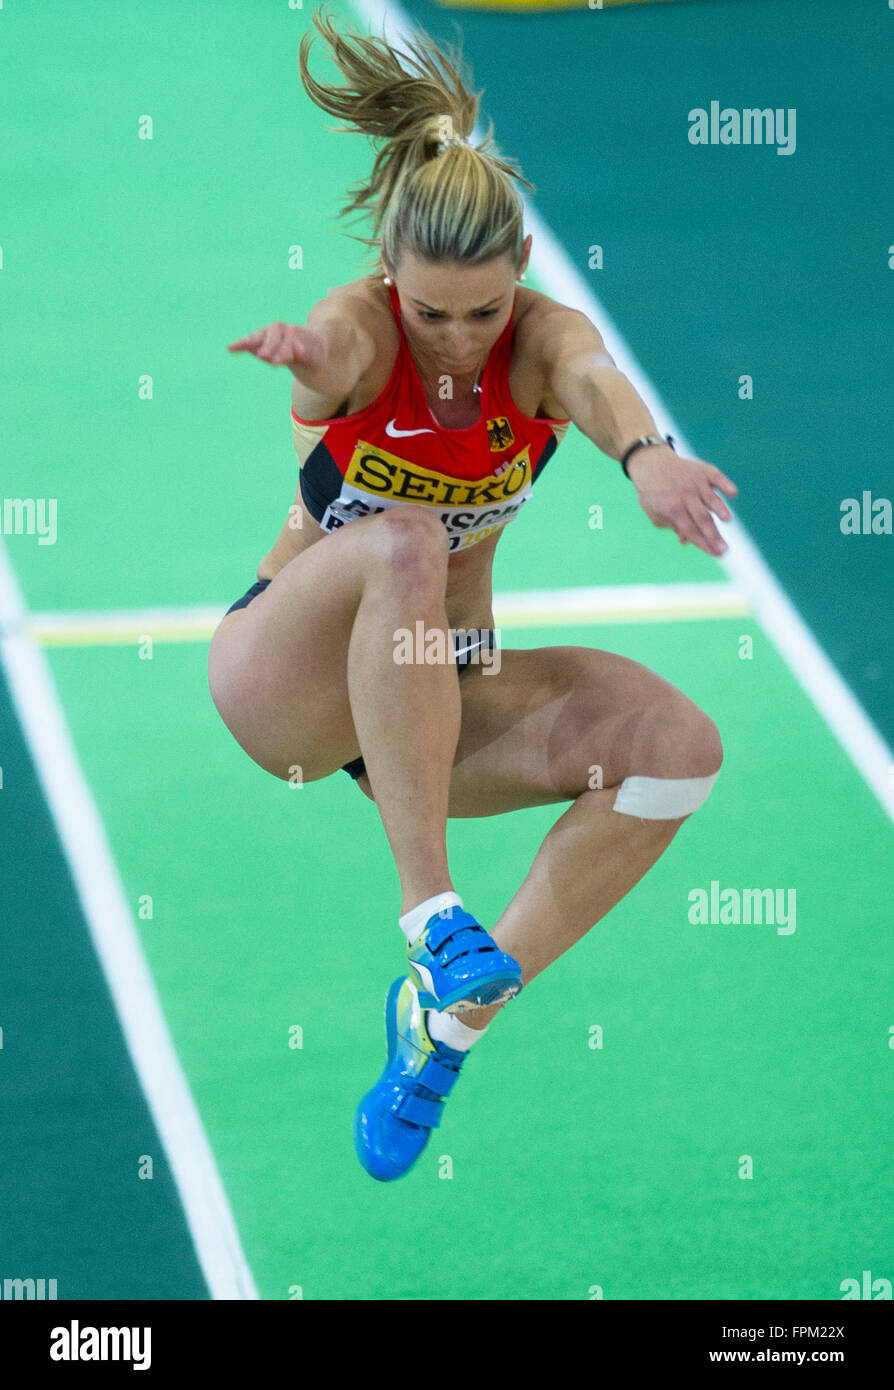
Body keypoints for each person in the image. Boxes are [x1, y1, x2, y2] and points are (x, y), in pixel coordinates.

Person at [208, 6, 737, 1182]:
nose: (455, 341)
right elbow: (344, 354)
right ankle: (431, 916)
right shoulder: (361, 330)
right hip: (282, 678)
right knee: (406, 543)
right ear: (391, 274)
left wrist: (646, 455)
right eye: (431, 310)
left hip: (419, 699)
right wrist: (312, 358)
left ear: (522, 280)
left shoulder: (544, 344)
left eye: (483, 312)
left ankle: (445, 1023)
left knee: (675, 751)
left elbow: (594, 382)